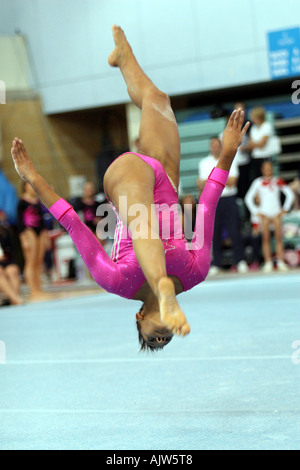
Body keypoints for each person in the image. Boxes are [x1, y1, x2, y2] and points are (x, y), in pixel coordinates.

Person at [11, 25, 249, 351]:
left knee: (142, 223)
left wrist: (33, 177)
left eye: (154, 336)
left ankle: (160, 282)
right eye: (166, 338)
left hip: (129, 181)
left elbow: (74, 224)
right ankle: (124, 58)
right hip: (164, 179)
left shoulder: (116, 281)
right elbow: (205, 208)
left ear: (139, 320)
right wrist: (228, 153)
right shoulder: (195, 273)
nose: (163, 333)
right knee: (157, 99)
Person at [198, 137, 248, 275]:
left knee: (235, 230)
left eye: (217, 145)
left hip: (229, 198)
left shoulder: (230, 159)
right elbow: (201, 184)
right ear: (210, 147)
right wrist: (221, 180)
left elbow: (233, 181)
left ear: (220, 146)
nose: (215, 147)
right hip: (214, 199)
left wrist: (212, 181)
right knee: (215, 231)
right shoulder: (204, 163)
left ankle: (240, 260)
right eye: (212, 145)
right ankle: (216, 262)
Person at [245, 161, 295, 273]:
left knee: (278, 238)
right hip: (265, 214)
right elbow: (248, 198)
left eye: (269, 167)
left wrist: (285, 209)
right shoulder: (258, 182)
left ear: (272, 169)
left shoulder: (278, 181)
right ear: (262, 170)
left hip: (276, 213)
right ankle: (268, 262)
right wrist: (256, 211)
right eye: (265, 168)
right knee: (265, 238)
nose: (267, 170)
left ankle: (281, 261)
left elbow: (290, 194)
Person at [17, 181, 50, 301]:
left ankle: (39, 289)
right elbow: (20, 222)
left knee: (38, 261)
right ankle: (33, 290)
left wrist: (46, 237)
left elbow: (42, 220)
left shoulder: (37, 201)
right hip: (29, 231)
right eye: (29, 186)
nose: (32, 188)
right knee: (31, 261)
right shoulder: (22, 202)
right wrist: (23, 239)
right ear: (25, 187)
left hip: (40, 231)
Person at [248, 107, 280, 181]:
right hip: (256, 156)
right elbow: (250, 145)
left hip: (266, 156)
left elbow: (262, 143)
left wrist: (255, 144)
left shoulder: (267, 126)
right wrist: (257, 144)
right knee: (257, 178)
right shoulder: (254, 128)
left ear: (257, 116)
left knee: (267, 177)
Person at [0, 211, 23, 306]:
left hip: (5, 261)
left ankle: (13, 300)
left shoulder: (5, 232)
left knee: (12, 270)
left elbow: (12, 250)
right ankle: (16, 299)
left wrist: (6, 257)